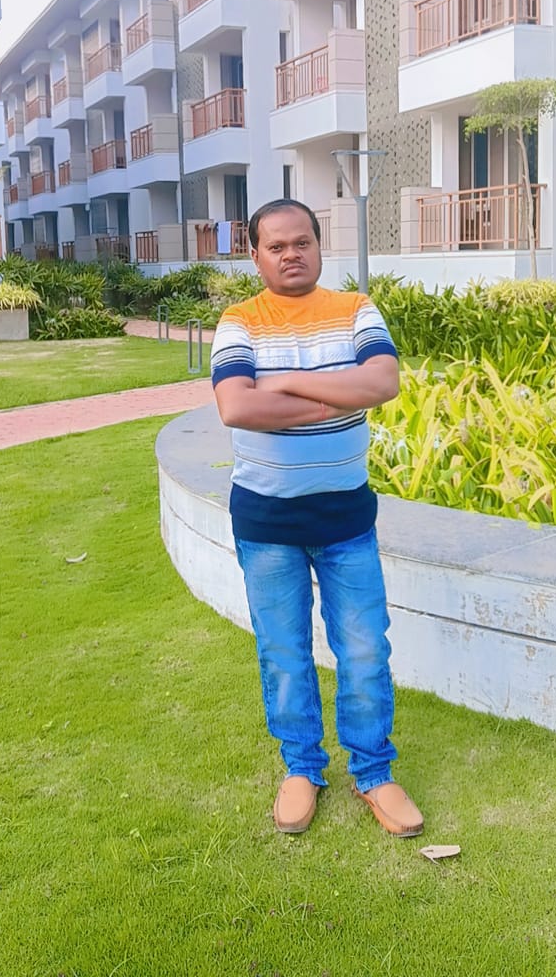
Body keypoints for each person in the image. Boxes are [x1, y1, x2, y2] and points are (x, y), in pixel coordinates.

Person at [210, 198, 423, 837]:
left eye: (301, 242)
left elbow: (381, 383)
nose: (291, 255)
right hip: (267, 522)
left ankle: (374, 772)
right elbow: (237, 407)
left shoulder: (355, 310)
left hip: (345, 519)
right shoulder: (239, 321)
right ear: (255, 256)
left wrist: (283, 386)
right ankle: (302, 767)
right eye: (276, 246)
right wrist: (334, 398)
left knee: (364, 648)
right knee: (284, 652)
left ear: (318, 244)